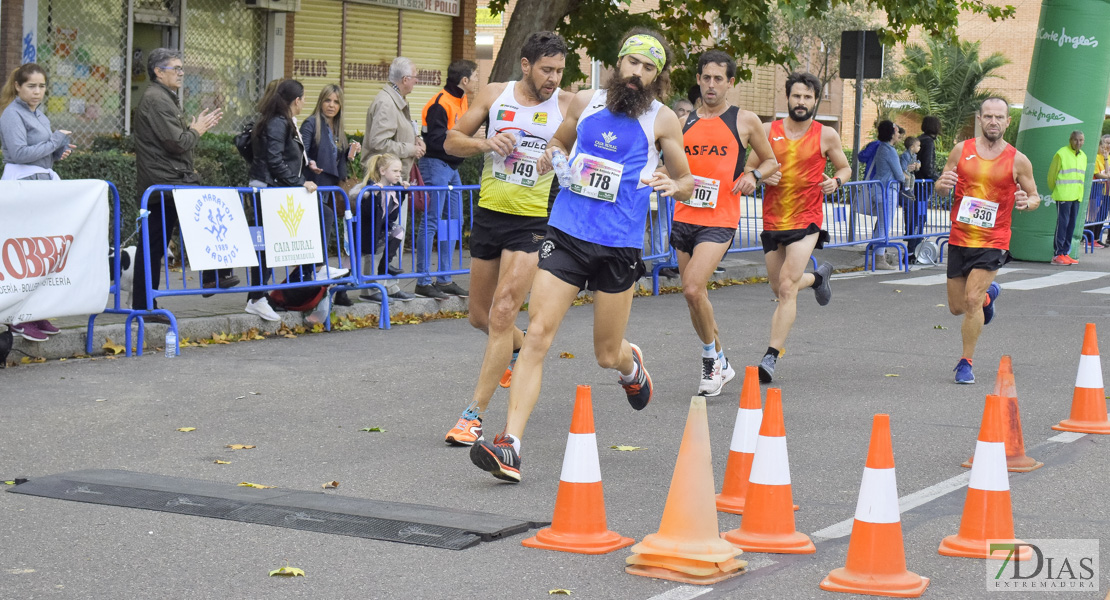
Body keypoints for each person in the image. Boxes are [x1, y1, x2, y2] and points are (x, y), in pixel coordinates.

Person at [468, 28, 694, 482]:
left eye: (649, 68)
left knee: (605, 353)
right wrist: (554, 155)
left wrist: (673, 185)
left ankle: (632, 366)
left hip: (618, 245)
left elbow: (685, 177)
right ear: (619, 63)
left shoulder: (662, 119)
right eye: (633, 63)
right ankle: (510, 444)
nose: (637, 74)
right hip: (567, 233)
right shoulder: (585, 101)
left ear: (657, 77)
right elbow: (559, 141)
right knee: (536, 337)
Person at [441, 31, 572, 447]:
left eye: (559, 70)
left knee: (502, 312)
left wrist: (561, 157)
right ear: (526, 65)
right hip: (490, 213)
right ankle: (516, 351)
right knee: (479, 315)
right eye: (546, 69)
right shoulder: (496, 94)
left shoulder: (568, 105)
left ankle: (472, 416)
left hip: (532, 219)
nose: (553, 78)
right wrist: (485, 143)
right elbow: (450, 141)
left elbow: (589, 156)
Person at [671, 50, 777, 396]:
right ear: (698, 79)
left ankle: (709, 360)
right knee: (694, 295)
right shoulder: (681, 122)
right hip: (684, 215)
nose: (712, 84)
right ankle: (721, 361)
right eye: (706, 78)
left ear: (730, 83)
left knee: (691, 287)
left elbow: (771, 161)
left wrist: (753, 175)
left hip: (720, 218)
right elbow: (670, 166)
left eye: (719, 79)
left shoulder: (744, 121)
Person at [746, 71, 851, 383]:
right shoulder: (767, 131)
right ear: (787, 98)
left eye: (807, 97)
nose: (801, 102)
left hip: (806, 220)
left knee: (788, 287)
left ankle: (770, 356)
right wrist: (761, 175)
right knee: (778, 287)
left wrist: (836, 181)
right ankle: (818, 278)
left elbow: (844, 167)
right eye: (796, 96)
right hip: (773, 219)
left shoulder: (826, 135)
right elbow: (750, 167)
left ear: (814, 101)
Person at [934, 97, 1039, 384]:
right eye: (989, 116)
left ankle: (966, 363)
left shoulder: (1018, 160)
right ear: (980, 119)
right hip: (960, 237)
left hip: (994, 239)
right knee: (957, 307)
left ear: (1007, 122)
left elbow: (1035, 197)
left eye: (1000, 117)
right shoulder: (961, 150)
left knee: (971, 300)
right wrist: (941, 186)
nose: (994, 121)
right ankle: (990, 294)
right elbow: (943, 187)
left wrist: (1025, 202)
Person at [131, 48, 226, 321]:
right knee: (158, 243)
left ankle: (146, 304)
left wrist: (192, 131)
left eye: (182, 68)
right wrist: (197, 130)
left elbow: (178, 141)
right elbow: (177, 143)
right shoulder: (156, 99)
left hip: (170, 180)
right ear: (159, 72)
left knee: (154, 246)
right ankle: (212, 278)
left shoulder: (164, 97)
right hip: (165, 183)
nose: (182, 73)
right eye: (176, 68)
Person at [0, 63, 75, 341]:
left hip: (42, 183)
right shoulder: (11, 114)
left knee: (38, 254)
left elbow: (41, 153)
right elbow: (19, 153)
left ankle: (35, 310)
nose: (37, 91)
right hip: (22, 185)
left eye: (42, 86)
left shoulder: (40, 115)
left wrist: (58, 153)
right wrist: (56, 140)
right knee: (22, 254)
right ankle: (17, 319)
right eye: (31, 86)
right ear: (18, 87)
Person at [244, 78, 320, 321]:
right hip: (269, 188)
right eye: (303, 99)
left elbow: (283, 157)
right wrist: (298, 183)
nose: (304, 103)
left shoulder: (279, 120)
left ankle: (310, 271)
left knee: (273, 243)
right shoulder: (278, 122)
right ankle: (256, 297)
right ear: (296, 101)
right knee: (266, 245)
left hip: (273, 187)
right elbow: (275, 160)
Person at [414, 60, 478, 300]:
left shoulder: (461, 100)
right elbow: (435, 141)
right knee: (431, 221)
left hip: (451, 167)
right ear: (464, 81)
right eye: (475, 75)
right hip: (436, 165)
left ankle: (444, 278)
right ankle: (422, 280)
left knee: (454, 220)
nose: (476, 80)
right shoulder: (440, 103)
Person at [362, 57, 425, 276]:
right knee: (379, 233)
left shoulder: (395, 99)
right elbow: (378, 143)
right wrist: (410, 149)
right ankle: (374, 284)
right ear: (405, 79)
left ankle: (386, 281)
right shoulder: (388, 103)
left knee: (390, 232)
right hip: (382, 180)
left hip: (392, 179)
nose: (417, 81)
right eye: (415, 77)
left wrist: (415, 139)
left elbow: (397, 132)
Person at [301, 83, 361, 305]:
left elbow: (337, 162)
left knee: (334, 235)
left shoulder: (337, 129)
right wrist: (310, 163)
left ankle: (334, 287)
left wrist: (349, 154)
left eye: (336, 102)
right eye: (328, 100)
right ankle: (312, 283)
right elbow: (302, 152)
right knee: (316, 236)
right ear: (321, 102)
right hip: (313, 187)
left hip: (331, 189)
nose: (331, 105)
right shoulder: (311, 124)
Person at [350, 153, 415, 302]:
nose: (399, 175)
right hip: (365, 231)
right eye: (395, 171)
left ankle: (385, 267)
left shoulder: (394, 189)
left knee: (398, 231)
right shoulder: (372, 188)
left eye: (400, 172)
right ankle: (368, 291)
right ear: (383, 171)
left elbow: (392, 214)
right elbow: (367, 213)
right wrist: (374, 195)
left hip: (381, 229)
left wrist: (403, 192)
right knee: (368, 258)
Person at [868, 120, 905, 269]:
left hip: (880, 189)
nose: (898, 134)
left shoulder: (881, 148)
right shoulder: (890, 151)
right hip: (887, 191)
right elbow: (899, 175)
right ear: (891, 133)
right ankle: (879, 259)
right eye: (896, 132)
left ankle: (879, 256)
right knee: (885, 225)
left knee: (882, 225)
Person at [1047, 130, 1087, 265]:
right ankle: (1058, 254)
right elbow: (1052, 176)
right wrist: (1056, 189)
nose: (1078, 143)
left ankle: (1065, 252)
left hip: (1076, 195)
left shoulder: (1083, 156)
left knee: (1071, 225)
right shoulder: (1061, 153)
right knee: (1062, 224)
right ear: (1070, 140)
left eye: (1081, 140)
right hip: (1063, 194)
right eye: (1076, 140)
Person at [900, 135, 924, 261]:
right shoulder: (905, 156)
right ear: (912, 147)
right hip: (907, 177)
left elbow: (918, 163)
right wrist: (906, 172)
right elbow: (903, 167)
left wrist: (917, 165)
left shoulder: (913, 156)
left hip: (911, 176)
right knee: (911, 216)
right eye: (918, 146)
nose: (919, 148)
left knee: (913, 178)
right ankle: (908, 188)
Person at [1086, 134, 1110, 247]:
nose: (1107, 146)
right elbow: (1098, 174)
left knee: (1101, 216)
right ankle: (1090, 239)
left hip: (1104, 189)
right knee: (1092, 215)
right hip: (1095, 188)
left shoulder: (1107, 157)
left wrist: (1106, 158)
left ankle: (1095, 238)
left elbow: (1108, 173)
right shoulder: (1095, 157)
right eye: (1106, 143)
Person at [917, 116, 941, 182]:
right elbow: (927, 167)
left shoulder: (919, 138)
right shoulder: (928, 142)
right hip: (924, 182)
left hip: (917, 179)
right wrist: (939, 178)